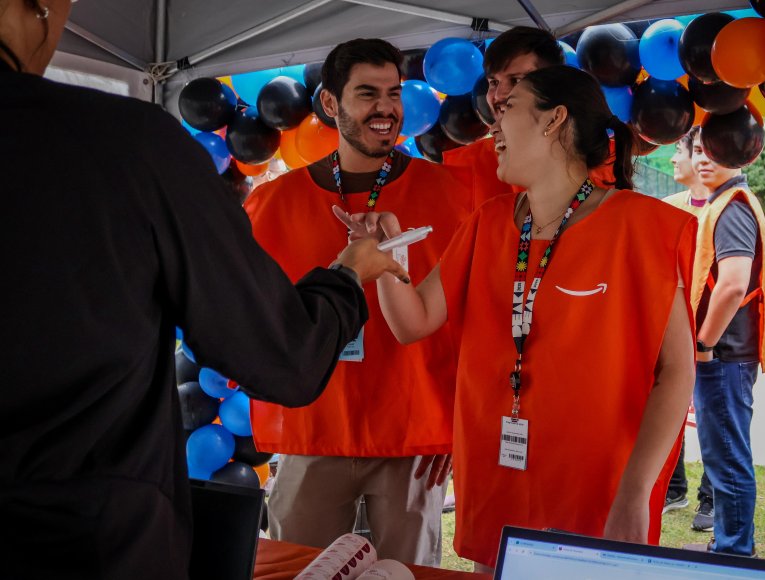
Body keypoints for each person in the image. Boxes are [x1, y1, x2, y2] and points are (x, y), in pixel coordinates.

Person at [0, 2, 409, 579]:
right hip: (87, 540)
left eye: (393, 92)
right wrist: (346, 279)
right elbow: (279, 351)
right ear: (37, 9)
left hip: (405, 437)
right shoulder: (125, 145)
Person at [350, 65, 696, 571]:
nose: (493, 125)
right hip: (498, 474)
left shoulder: (642, 227)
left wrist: (635, 491)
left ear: (554, 120)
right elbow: (413, 321)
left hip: (596, 488)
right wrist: (387, 256)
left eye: (507, 109)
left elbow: (677, 371)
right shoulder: (489, 220)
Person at [244, 38, 472, 566]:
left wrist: (459, 423)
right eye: (367, 94)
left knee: (407, 576)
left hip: (413, 434)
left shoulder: (452, 196)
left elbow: (472, 319)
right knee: (297, 572)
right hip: (310, 430)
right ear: (330, 104)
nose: (386, 109)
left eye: (392, 93)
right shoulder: (271, 204)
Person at [684, 129, 765, 557]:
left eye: (715, 150)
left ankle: (735, 550)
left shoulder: (732, 205)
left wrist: (703, 345)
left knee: (727, 458)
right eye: (699, 150)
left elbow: (732, 286)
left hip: (723, 355)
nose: (704, 158)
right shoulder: (725, 200)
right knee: (723, 455)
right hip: (726, 354)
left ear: (742, 153)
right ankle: (732, 542)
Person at [442, 26, 614, 208]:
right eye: (493, 82)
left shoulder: (601, 157)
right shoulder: (468, 167)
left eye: (517, 80)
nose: (499, 94)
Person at [661, 127, 715, 534]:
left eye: (682, 151)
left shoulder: (725, 207)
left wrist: (707, 338)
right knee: (670, 409)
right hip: (672, 327)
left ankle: (710, 500)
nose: (675, 160)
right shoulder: (668, 208)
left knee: (715, 421)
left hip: (709, 335)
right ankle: (673, 488)